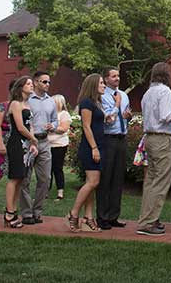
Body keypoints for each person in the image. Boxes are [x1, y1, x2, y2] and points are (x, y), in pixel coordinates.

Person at [136, 63, 171, 236]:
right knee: (161, 180)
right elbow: (166, 116)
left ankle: (147, 218)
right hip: (162, 138)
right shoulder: (165, 91)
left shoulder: (148, 93)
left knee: (151, 180)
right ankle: (148, 223)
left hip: (149, 137)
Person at [68, 74, 105, 233]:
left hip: (98, 145)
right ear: (93, 85)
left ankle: (89, 217)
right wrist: (94, 148)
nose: (104, 85)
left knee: (92, 184)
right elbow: (86, 126)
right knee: (93, 182)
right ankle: (74, 213)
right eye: (102, 83)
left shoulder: (97, 102)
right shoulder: (86, 102)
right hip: (90, 147)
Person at [21, 71, 57, 226]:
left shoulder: (51, 101)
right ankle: (27, 213)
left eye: (48, 82)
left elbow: (55, 119)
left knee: (45, 179)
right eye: (44, 82)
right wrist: (30, 139)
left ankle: (37, 211)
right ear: (35, 82)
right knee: (25, 179)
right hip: (29, 143)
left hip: (44, 142)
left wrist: (53, 125)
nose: (47, 85)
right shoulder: (27, 100)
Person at [97, 67, 130, 230]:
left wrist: (128, 117)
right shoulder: (102, 96)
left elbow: (124, 114)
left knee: (118, 179)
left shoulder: (124, 95)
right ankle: (102, 216)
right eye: (113, 76)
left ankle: (113, 216)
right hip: (108, 139)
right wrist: (116, 105)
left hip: (122, 137)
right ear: (106, 78)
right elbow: (108, 119)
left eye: (118, 75)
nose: (117, 78)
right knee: (106, 178)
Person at [4, 76, 38, 229]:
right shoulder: (16, 104)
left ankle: (14, 210)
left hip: (26, 144)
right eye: (29, 84)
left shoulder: (27, 105)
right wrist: (33, 139)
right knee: (14, 177)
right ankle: (9, 212)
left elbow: (29, 125)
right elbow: (20, 127)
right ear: (21, 87)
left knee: (21, 178)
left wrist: (32, 142)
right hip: (16, 144)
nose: (32, 86)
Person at [48, 94, 72, 201]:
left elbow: (63, 128)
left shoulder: (64, 114)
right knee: (47, 170)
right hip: (48, 144)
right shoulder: (49, 114)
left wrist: (52, 128)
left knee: (57, 168)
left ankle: (60, 192)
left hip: (59, 145)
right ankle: (45, 192)